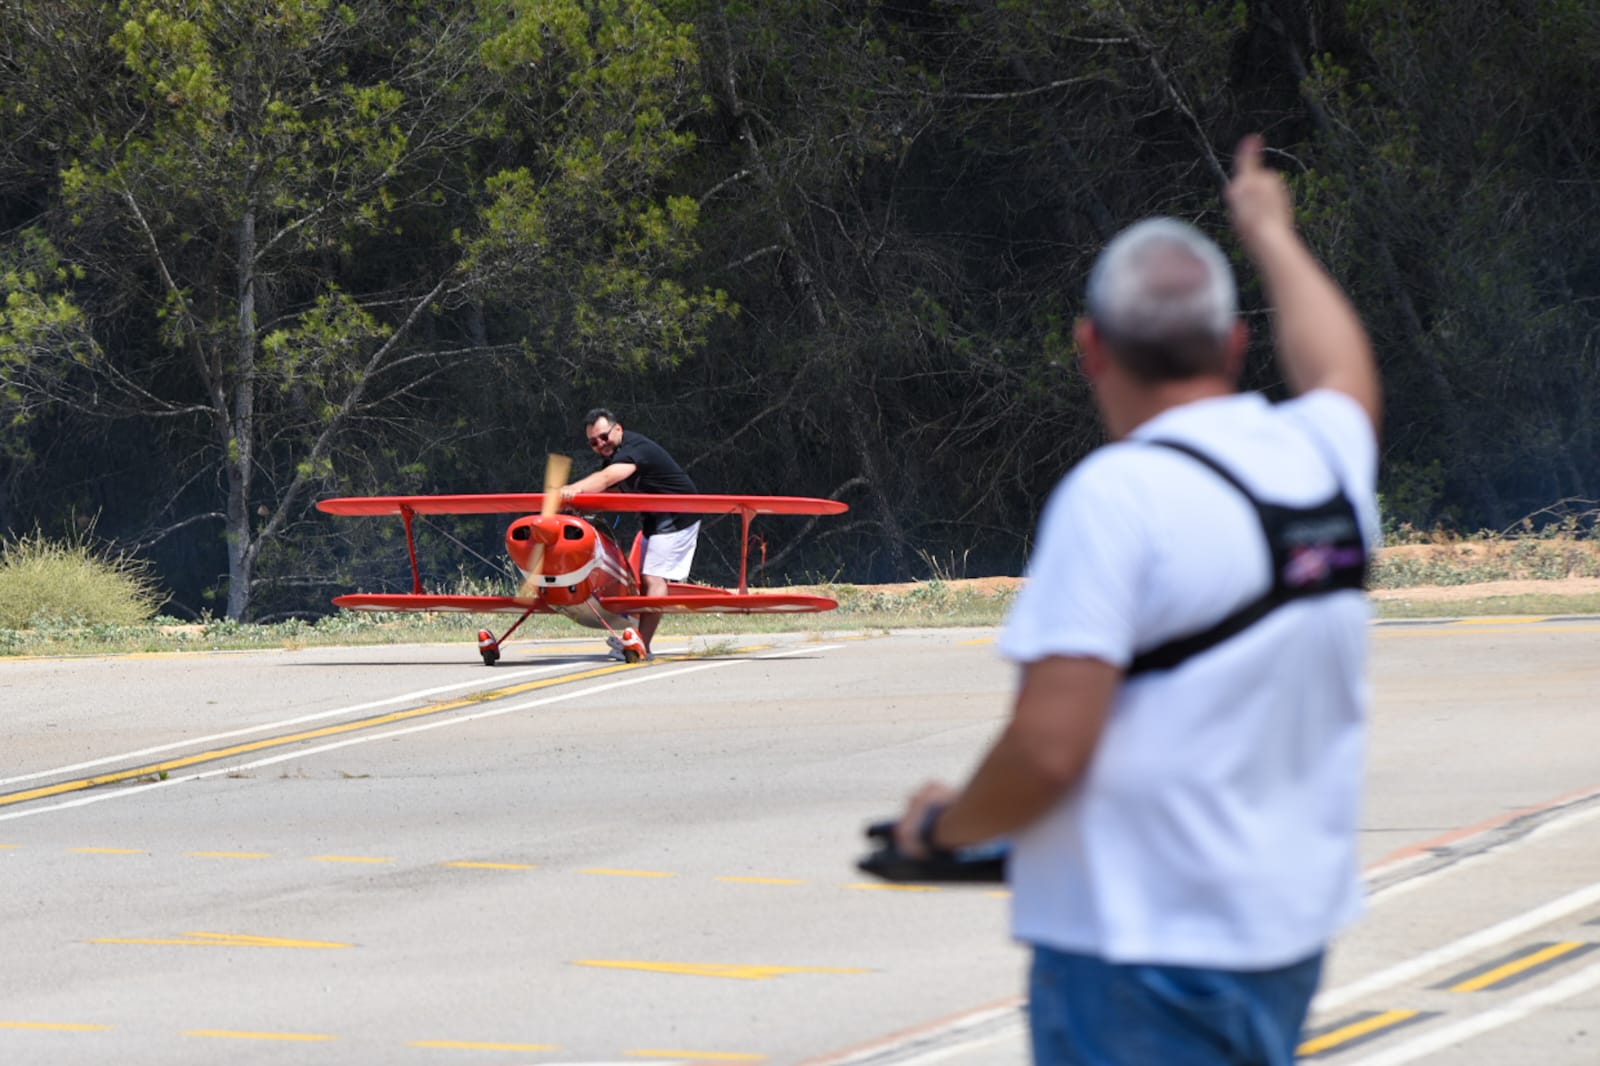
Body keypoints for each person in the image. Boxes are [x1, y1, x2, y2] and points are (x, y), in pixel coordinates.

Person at [891, 134, 1382, 1065]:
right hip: (1281, 939)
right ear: (1236, 343)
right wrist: (1269, 231)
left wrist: (942, 829)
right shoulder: (1323, 460)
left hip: (1139, 958)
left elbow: (1047, 750)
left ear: (1091, 348)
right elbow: (1344, 373)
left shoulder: (1118, 495)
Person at [560, 408, 700, 658]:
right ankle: (633, 635)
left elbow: (606, 479)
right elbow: (608, 490)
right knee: (637, 582)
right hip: (654, 519)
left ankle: (642, 645)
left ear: (619, 429)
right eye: (593, 442)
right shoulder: (615, 457)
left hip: (678, 515)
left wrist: (571, 489)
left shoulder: (633, 449)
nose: (600, 444)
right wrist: (574, 507)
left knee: (654, 580)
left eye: (604, 437)